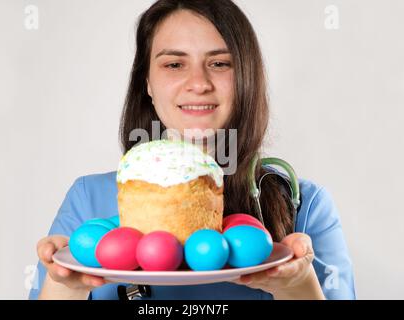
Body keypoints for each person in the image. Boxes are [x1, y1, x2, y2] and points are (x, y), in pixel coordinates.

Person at [30, 0, 356, 300]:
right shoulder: (89, 199)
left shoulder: (306, 208)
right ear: (146, 82)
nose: (198, 83)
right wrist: (63, 284)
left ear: (246, 78)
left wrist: (297, 286)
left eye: (219, 63)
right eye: (174, 64)